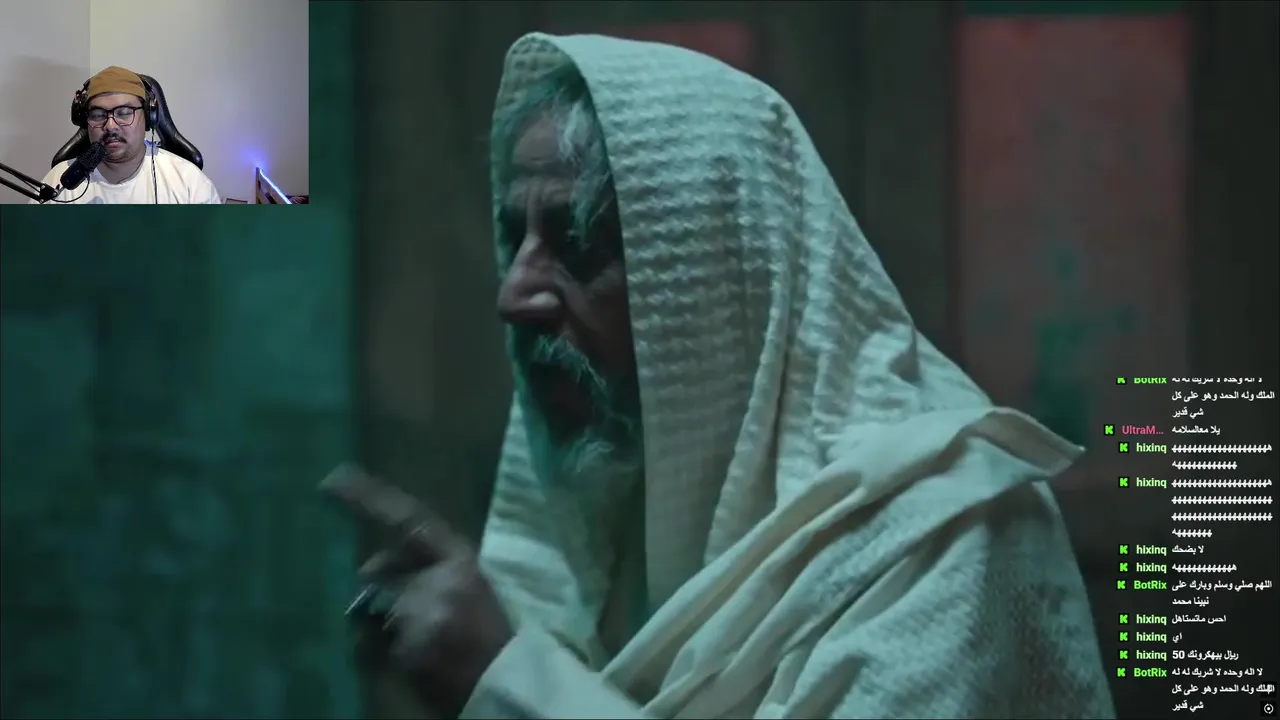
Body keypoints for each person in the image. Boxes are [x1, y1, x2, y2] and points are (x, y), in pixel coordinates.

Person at [329, 33, 1116, 719]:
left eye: (577, 242)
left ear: (717, 279)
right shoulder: (608, 511)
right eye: (516, 240)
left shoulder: (947, 533)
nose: (515, 296)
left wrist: (506, 681)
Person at [31, 66, 220, 204]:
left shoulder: (190, 184)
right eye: (98, 115)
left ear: (148, 116)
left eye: (124, 113)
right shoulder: (58, 183)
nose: (110, 126)